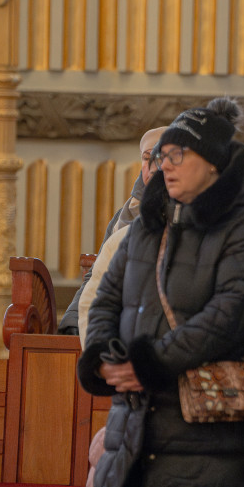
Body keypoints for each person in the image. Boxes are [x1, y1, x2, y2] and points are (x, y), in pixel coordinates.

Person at [76, 97, 244, 487]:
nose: (167, 165)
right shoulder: (147, 225)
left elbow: (228, 316)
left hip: (205, 437)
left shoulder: (243, 228)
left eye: (179, 155)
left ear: (214, 164)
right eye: (163, 155)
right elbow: (105, 297)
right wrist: (105, 359)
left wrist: (146, 364)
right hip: (133, 425)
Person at [58, 126, 168, 335]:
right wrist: (73, 321)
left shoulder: (189, 211)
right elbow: (97, 274)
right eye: (147, 158)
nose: (153, 166)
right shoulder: (124, 215)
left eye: (161, 157)